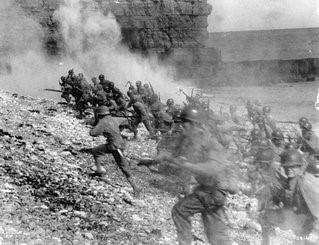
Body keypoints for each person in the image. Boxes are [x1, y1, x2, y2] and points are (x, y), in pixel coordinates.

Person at [142, 107, 237, 245]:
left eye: (184, 124)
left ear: (195, 125)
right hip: (208, 190)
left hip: (215, 191)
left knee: (180, 211)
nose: (181, 127)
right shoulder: (189, 138)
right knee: (216, 237)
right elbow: (171, 154)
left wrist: (189, 166)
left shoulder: (210, 143)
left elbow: (214, 167)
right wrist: (153, 160)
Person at [260, 149, 319, 245]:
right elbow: (285, 200)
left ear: (299, 167)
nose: (289, 170)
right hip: (294, 218)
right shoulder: (289, 181)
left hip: (305, 223)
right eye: (286, 167)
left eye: (293, 167)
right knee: (265, 216)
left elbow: (317, 209)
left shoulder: (304, 183)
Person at [81, 106, 141, 197]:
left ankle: (136, 188)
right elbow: (126, 121)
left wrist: (94, 125)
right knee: (95, 151)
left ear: (99, 115)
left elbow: (92, 133)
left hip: (115, 146)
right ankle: (99, 170)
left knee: (124, 168)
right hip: (119, 143)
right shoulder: (114, 119)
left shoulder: (103, 121)